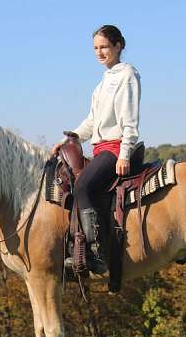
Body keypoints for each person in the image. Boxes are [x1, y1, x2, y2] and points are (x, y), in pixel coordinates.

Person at [52, 25, 141, 274]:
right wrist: (71, 137)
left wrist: (124, 153)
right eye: (95, 48)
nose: (99, 52)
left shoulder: (127, 75)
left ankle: (96, 253)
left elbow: (130, 120)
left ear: (118, 46)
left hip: (114, 149)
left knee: (82, 186)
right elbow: (91, 121)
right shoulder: (102, 83)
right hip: (100, 147)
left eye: (104, 47)